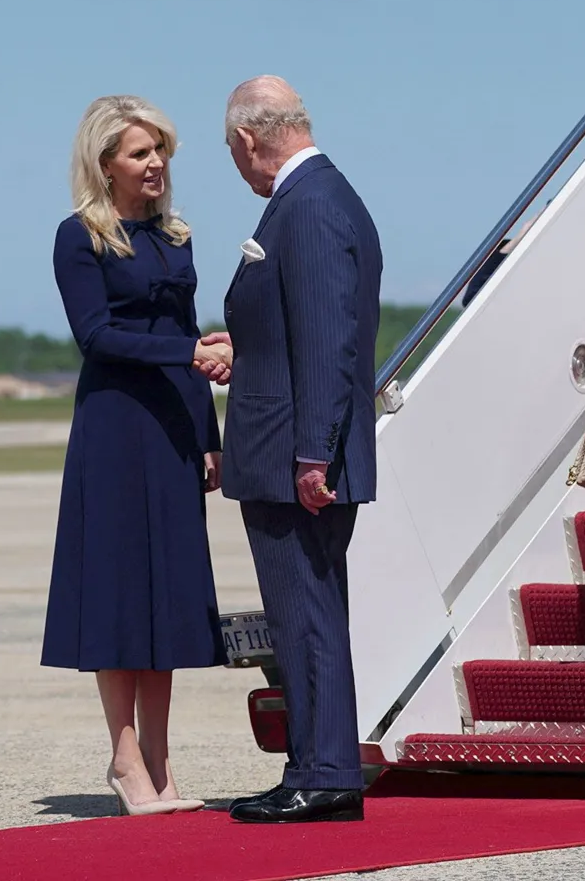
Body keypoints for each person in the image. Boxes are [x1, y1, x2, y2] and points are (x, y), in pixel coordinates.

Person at [41, 96, 229, 816]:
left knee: (168, 595)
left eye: (161, 152)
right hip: (115, 428)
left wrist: (208, 437)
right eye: (140, 153)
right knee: (121, 594)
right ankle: (124, 757)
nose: (155, 165)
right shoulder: (78, 237)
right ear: (105, 164)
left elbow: (188, 330)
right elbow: (96, 337)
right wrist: (188, 353)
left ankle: (159, 754)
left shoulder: (176, 237)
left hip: (174, 428)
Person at [207, 76, 383, 825]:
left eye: (231, 149)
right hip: (292, 444)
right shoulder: (321, 196)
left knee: (305, 614)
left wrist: (314, 453)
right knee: (305, 614)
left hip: (293, 457)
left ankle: (325, 770)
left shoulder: (307, 205)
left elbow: (326, 338)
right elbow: (301, 328)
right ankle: (317, 763)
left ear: (249, 139)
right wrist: (245, 346)